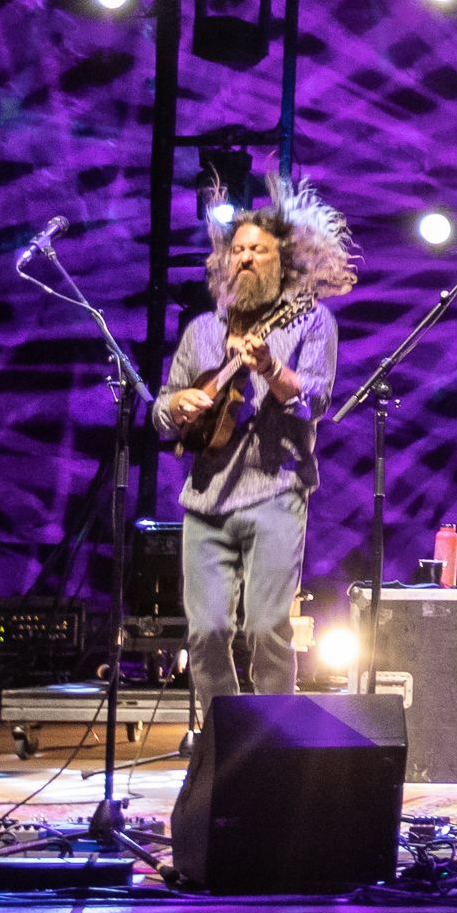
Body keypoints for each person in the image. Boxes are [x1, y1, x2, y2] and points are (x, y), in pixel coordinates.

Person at [153, 188, 349, 709]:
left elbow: (313, 401)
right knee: (206, 633)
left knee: (267, 629)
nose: (244, 257)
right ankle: (225, 739)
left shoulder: (310, 321)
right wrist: (177, 408)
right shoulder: (201, 331)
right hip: (206, 500)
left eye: (258, 249)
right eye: (237, 250)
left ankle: (272, 740)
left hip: (277, 491)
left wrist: (268, 368)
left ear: (284, 260)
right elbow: (163, 407)